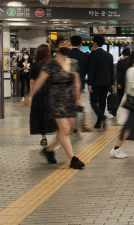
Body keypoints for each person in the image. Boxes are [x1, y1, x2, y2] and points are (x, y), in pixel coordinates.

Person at [25, 37, 85, 169]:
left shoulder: (73, 62)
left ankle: (49, 150)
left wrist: (78, 98)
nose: (66, 46)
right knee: (64, 129)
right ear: (57, 48)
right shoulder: (51, 65)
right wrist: (30, 96)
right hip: (56, 100)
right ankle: (73, 159)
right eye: (63, 44)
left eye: (68, 44)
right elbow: (39, 81)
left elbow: (77, 81)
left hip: (70, 99)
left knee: (66, 130)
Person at [29, 44, 55, 146]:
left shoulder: (35, 65)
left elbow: (32, 81)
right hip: (51, 94)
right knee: (51, 115)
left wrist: (31, 94)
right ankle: (57, 134)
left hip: (38, 95)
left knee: (39, 116)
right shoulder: (52, 64)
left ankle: (43, 138)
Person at [86, 34, 114, 130]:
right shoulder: (109, 55)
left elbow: (91, 70)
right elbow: (111, 71)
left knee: (93, 102)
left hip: (95, 83)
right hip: (106, 83)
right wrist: (112, 83)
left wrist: (89, 84)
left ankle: (102, 118)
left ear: (94, 43)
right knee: (102, 103)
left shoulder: (92, 55)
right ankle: (98, 123)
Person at [67, 35, 92, 132]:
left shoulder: (66, 55)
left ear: (70, 43)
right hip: (79, 83)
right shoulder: (84, 56)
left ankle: (69, 124)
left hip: (67, 83)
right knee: (77, 102)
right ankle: (75, 125)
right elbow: (87, 70)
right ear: (81, 44)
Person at [115, 48, 133, 125]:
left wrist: (119, 83)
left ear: (122, 54)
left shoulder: (120, 62)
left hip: (122, 83)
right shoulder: (132, 62)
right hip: (131, 83)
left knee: (121, 97)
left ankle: (121, 111)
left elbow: (119, 73)